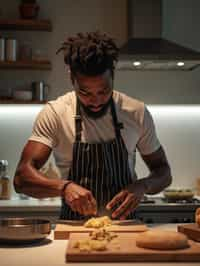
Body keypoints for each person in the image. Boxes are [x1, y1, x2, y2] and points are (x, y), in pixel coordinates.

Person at [14, 31, 172, 220]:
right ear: (71, 78)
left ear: (113, 76)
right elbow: (21, 178)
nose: (95, 101)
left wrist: (142, 185)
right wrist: (64, 187)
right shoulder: (55, 114)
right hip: (74, 229)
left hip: (125, 227)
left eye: (104, 91)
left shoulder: (136, 112)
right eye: (85, 92)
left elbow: (164, 172)